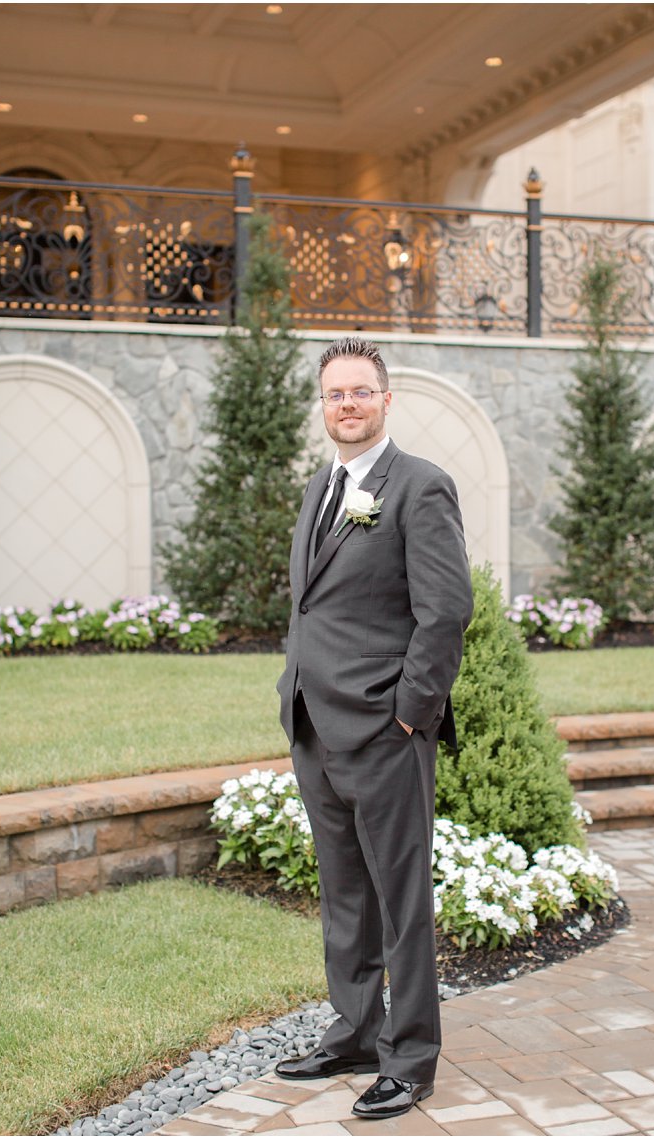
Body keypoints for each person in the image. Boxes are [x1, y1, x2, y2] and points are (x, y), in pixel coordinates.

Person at [272, 337, 472, 1119]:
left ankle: (411, 1055)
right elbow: (314, 604)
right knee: (345, 892)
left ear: (387, 400)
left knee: (400, 896)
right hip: (314, 725)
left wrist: (409, 714)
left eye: (359, 391)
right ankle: (355, 1029)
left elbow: (446, 611)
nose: (346, 404)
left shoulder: (420, 487)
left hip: (386, 731)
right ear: (323, 406)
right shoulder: (322, 486)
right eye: (333, 394)